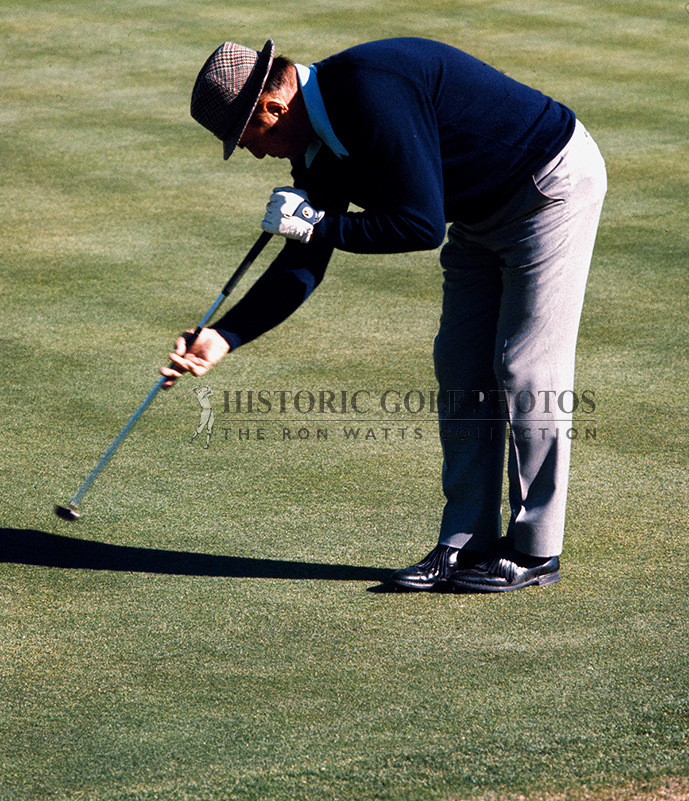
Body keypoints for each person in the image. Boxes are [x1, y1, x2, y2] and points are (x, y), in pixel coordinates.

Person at [161, 37, 607, 593]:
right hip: (480, 214)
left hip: (547, 187)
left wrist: (319, 224)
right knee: (461, 364)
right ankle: (466, 541)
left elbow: (419, 225)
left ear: (273, 108)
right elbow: (304, 262)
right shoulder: (316, 145)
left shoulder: (368, 91)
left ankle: (535, 550)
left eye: (251, 140)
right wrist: (225, 335)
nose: (256, 155)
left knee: (524, 367)